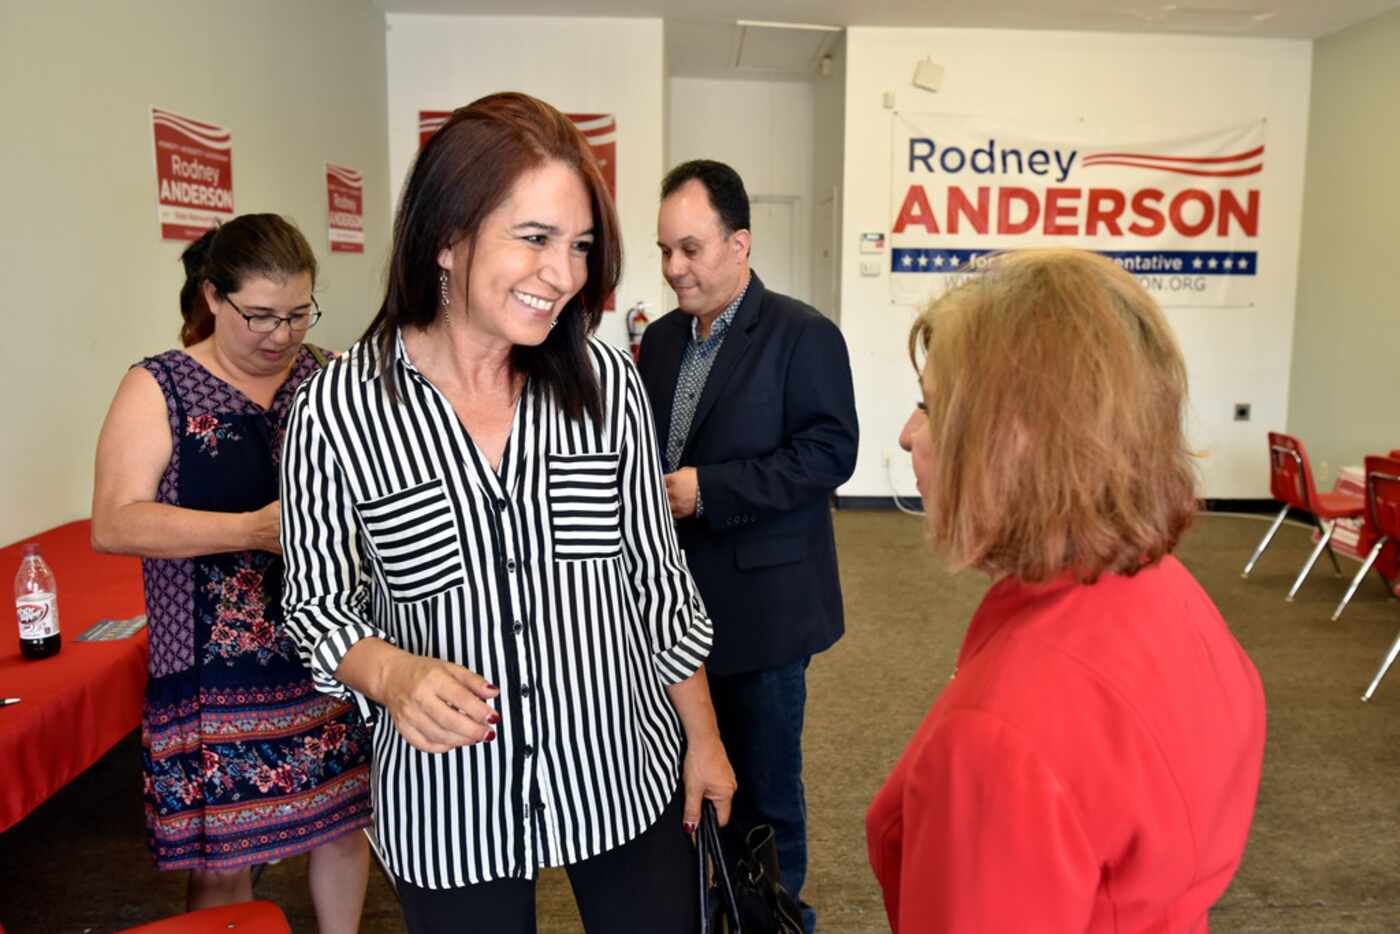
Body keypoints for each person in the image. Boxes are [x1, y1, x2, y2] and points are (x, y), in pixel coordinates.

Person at [277, 92, 735, 934]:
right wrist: (390, 671)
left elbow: (658, 583)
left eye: (580, 245)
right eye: (534, 238)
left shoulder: (604, 388)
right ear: (447, 239)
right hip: (451, 805)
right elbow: (313, 604)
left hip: (620, 769)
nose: (564, 275)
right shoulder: (337, 409)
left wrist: (702, 739)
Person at [867, 249, 1267, 932]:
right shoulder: (1168, 590)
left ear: (1017, 441)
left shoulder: (999, 740)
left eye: (930, 408)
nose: (908, 436)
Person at [91, 214, 371, 932]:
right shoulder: (161, 387)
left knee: (342, 824)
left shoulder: (327, 378)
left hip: (324, 652)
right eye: (260, 316)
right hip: (214, 677)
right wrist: (249, 531)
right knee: (225, 861)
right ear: (213, 298)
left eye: (297, 314)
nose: (281, 335)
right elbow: (116, 522)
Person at [640, 159, 859, 934]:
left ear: (740, 244)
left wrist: (711, 490)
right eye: (665, 249)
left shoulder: (804, 335)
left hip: (764, 611)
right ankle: (707, 909)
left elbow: (831, 454)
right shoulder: (659, 341)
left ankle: (772, 919)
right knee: (684, 783)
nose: (674, 268)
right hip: (668, 611)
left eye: (691, 249)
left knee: (765, 790)